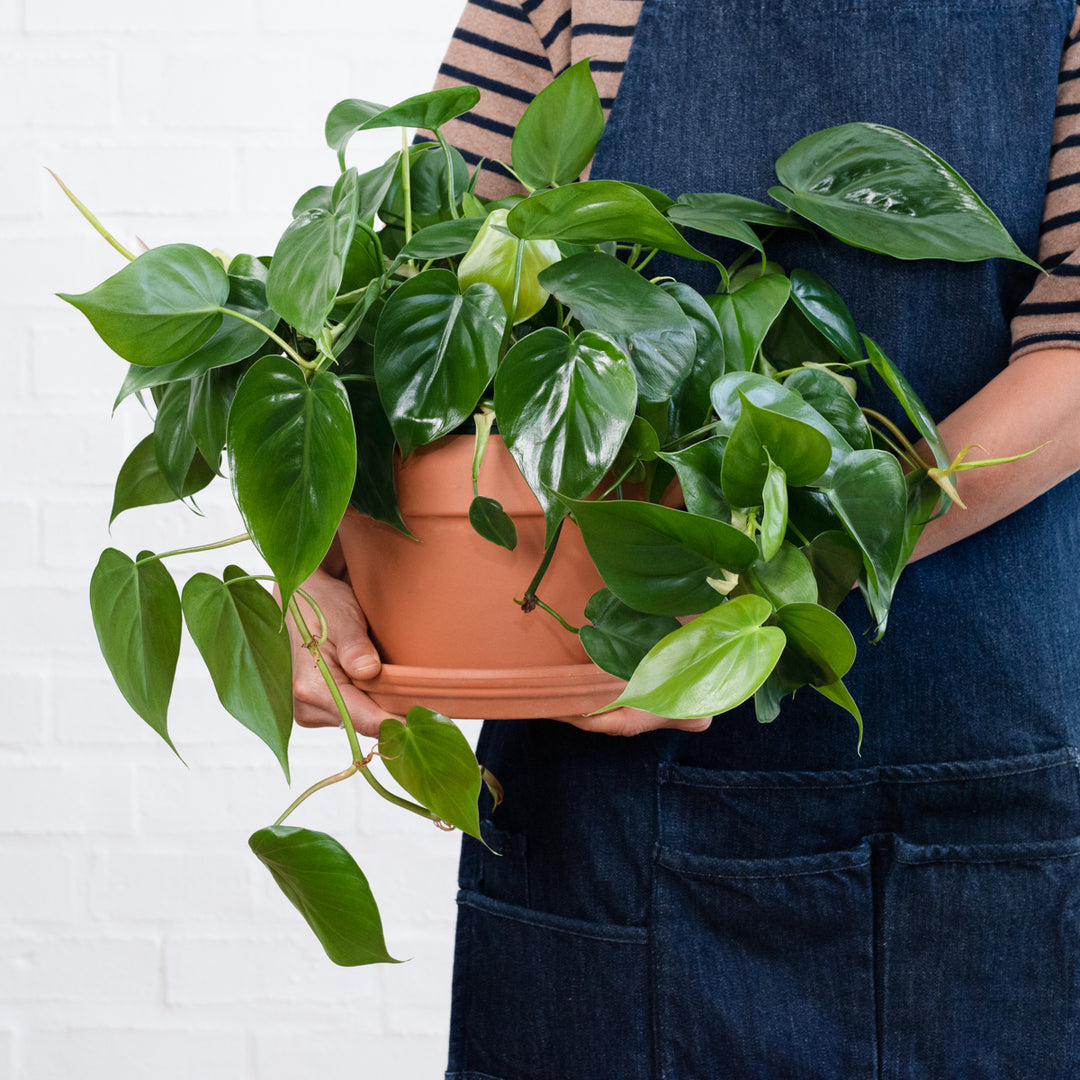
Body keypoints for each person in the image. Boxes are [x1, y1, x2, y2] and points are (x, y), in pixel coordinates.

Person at [292, 2, 1080, 1076]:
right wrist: (321, 570)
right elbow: (418, 313)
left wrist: (770, 586)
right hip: (609, 800)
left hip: (959, 772)